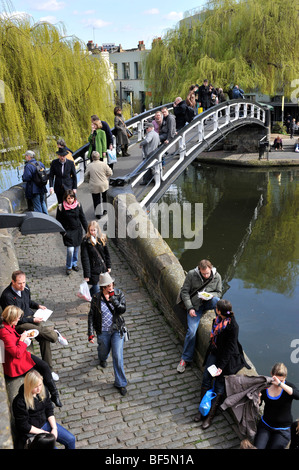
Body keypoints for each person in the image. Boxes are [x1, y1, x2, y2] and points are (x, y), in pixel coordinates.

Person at [0, 270, 68, 381]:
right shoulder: (7, 297)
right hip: (19, 324)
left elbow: (28, 302)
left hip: (31, 318)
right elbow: (13, 318)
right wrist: (32, 319)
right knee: (42, 332)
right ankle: (55, 334)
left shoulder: (25, 288)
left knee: (44, 338)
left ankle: (49, 370)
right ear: (13, 282)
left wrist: (38, 306)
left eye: (24, 282)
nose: (23, 285)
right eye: (19, 283)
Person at [194, 299, 250, 429]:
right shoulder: (218, 319)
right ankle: (203, 410)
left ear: (219, 311)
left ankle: (210, 416)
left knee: (219, 384)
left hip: (225, 358)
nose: (215, 309)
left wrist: (220, 367)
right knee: (206, 379)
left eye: (216, 308)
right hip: (215, 352)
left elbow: (230, 349)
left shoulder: (232, 327)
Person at [0, 306, 62, 407]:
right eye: (18, 317)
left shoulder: (9, 325)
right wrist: (23, 341)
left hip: (22, 355)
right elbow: (16, 353)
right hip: (15, 363)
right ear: (12, 318)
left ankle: (55, 394)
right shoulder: (4, 332)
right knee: (37, 378)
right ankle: (46, 402)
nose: (19, 319)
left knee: (45, 366)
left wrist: (22, 339)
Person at [177, 259, 222, 374]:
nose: (206, 276)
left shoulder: (217, 276)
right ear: (199, 270)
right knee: (192, 332)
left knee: (217, 301)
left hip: (208, 302)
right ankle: (185, 359)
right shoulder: (192, 274)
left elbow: (219, 292)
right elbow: (184, 292)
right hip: (195, 305)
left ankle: (220, 325)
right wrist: (190, 308)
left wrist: (210, 295)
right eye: (203, 274)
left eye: (207, 273)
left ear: (211, 269)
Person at [88, 272, 128, 396]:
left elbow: (122, 310)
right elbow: (91, 315)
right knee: (103, 350)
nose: (111, 288)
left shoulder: (118, 294)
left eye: (111, 285)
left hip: (117, 329)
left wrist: (113, 299)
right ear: (103, 287)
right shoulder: (96, 298)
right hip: (103, 331)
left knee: (117, 356)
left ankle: (120, 383)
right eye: (108, 286)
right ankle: (102, 358)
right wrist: (90, 333)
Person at [12, 370, 75, 448]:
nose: (39, 389)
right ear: (29, 386)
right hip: (33, 431)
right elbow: (24, 425)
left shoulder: (43, 390)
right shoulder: (19, 401)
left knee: (71, 440)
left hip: (45, 423)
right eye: (35, 386)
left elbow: (49, 410)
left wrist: (54, 428)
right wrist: (45, 433)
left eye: (40, 385)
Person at [254, 362, 299, 449]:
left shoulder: (288, 387)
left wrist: (280, 384)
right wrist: (258, 399)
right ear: (271, 374)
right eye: (275, 380)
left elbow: (298, 395)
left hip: (283, 429)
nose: (277, 382)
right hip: (266, 425)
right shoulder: (266, 386)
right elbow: (259, 405)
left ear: (285, 378)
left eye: (281, 380)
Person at [56, 189, 88, 275]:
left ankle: (74, 264)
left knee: (76, 249)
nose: (70, 200)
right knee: (70, 250)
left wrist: (87, 230)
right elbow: (58, 221)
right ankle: (69, 266)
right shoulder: (61, 207)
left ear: (74, 198)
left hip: (77, 230)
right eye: (68, 198)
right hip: (68, 231)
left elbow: (83, 218)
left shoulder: (78, 205)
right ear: (65, 198)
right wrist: (63, 233)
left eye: (71, 198)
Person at [81, 220, 112, 296]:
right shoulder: (85, 241)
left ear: (97, 229)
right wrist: (87, 274)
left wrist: (109, 266)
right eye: (91, 230)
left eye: (94, 230)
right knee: (96, 288)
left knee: (101, 286)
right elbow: (85, 258)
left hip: (102, 267)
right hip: (93, 269)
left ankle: (88, 294)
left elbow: (107, 254)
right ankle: (95, 302)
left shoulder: (102, 238)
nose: (93, 232)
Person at [84, 150, 113, 219]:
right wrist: (106, 177)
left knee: (96, 199)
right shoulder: (103, 164)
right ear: (99, 157)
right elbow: (110, 172)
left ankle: (98, 214)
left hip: (94, 185)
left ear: (92, 157)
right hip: (104, 184)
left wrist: (89, 180)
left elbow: (85, 176)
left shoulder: (89, 166)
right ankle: (105, 210)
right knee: (105, 197)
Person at [22, 150, 48, 214]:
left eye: (26, 156)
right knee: (43, 203)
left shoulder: (28, 166)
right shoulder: (40, 163)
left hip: (34, 189)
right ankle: (48, 219)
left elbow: (26, 178)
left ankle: (40, 222)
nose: (25, 157)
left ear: (28, 157)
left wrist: (23, 174)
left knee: (37, 206)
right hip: (42, 187)